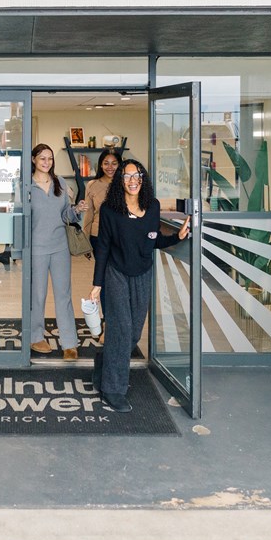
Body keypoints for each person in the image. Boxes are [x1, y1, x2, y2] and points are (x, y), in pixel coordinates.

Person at [88, 159, 190, 412]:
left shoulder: (152, 207)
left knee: (133, 333)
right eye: (126, 176)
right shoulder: (110, 210)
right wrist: (97, 284)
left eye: (137, 176)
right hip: (116, 273)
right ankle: (113, 390)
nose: (132, 181)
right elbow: (102, 248)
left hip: (142, 273)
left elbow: (152, 241)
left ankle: (103, 363)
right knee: (122, 331)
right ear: (119, 181)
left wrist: (176, 237)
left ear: (143, 179)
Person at [30, 143, 88, 361]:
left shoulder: (60, 183)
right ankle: (36, 337)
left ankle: (69, 343)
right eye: (42, 158)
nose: (47, 162)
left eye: (50, 159)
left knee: (64, 295)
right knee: (38, 295)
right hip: (36, 249)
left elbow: (66, 216)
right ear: (34, 159)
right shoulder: (26, 186)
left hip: (60, 247)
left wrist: (76, 211)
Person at [82, 150, 121, 344]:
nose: (110, 167)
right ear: (100, 165)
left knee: (119, 281)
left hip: (121, 239)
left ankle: (118, 322)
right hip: (99, 238)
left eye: (114, 163)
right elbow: (88, 216)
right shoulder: (93, 185)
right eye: (106, 163)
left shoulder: (125, 183)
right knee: (103, 281)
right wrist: (86, 241)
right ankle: (106, 325)